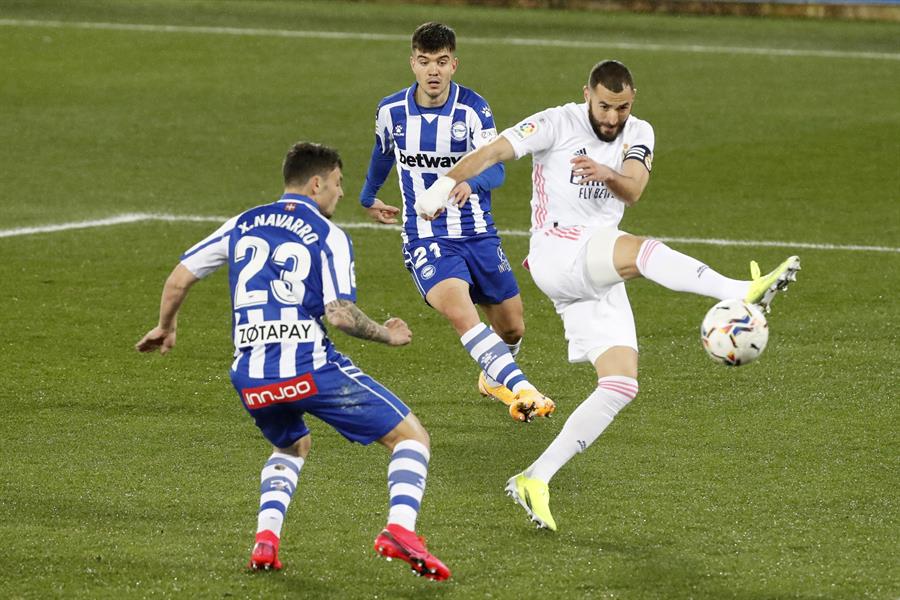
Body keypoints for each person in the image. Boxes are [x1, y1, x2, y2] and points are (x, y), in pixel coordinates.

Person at [414, 60, 801, 531]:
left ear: (632, 100)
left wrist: (604, 172)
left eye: (622, 107)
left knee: (620, 384)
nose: (613, 117)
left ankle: (535, 478)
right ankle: (742, 290)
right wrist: (444, 183)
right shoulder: (557, 122)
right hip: (559, 250)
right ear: (587, 95)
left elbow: (634, 189)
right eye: (604, 106)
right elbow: (493, 152)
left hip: (597, 266)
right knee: (642, 251)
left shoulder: (639, 131)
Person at [136, 142, 450, 580]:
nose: (341, 194)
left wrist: (165, 327)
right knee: (412, 438)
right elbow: (340, 314)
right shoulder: (328, 234)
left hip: (251, 377)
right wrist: (388, 334)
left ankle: (266, 541)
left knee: (291, 445)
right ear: (317, 183)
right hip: (308, 367)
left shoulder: (242, 223)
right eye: (338, 184)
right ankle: (400, 529)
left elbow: (178, 278)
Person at [359, 21, 553, 422]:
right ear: (412, 63)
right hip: (426, 236)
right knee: (461, 312)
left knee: (513, 328)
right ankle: (523, 390)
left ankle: (492, 375)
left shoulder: (473, 109)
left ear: (454, 65)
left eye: (442, 62)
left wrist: (472, 183)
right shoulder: (390, 110)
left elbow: (497, 169)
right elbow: (382, 154)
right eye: (425, 61)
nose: (433, 71)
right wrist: (367, 195)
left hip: (478, 233)